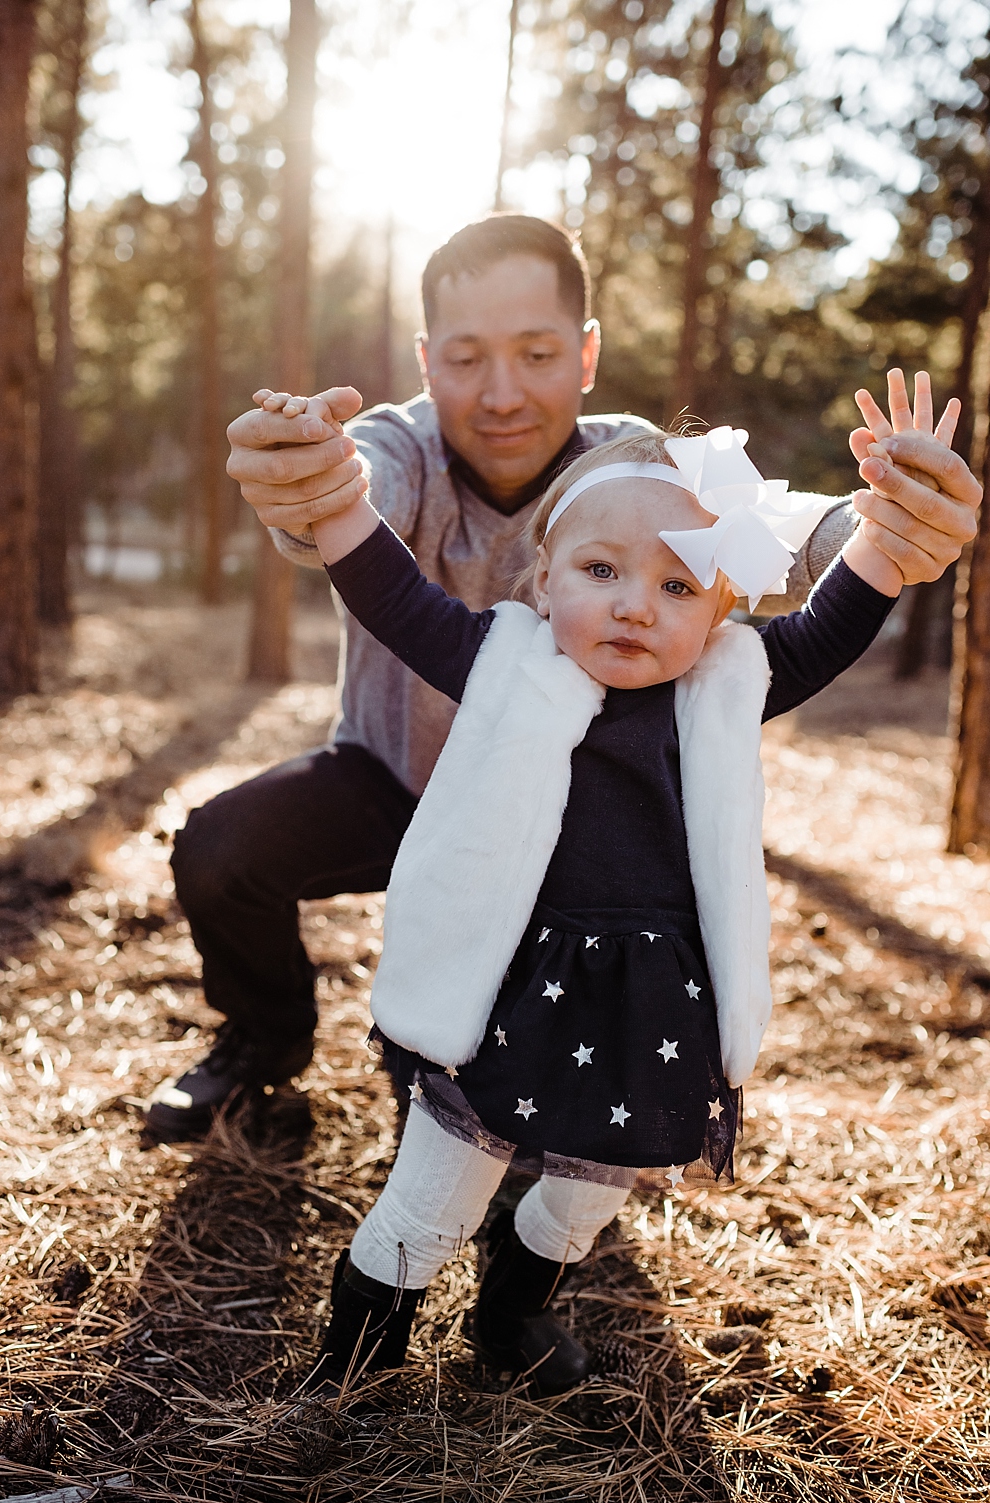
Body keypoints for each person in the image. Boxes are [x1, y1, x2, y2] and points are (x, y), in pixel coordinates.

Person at [147, 214, 985, 1139]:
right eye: (466, 358)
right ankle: (264, 1042)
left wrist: (885, 528)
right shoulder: (399, 446)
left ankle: (537, 1112)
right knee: (219, 851)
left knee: (472, 1097)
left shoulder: (646, 464)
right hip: (391, 778)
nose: (501, 392)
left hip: (567, 816)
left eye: (537, 353)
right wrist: (307, 479)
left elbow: (781, 535)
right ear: (427, 362)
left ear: (586, 354)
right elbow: (350, 494)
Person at [270, 386, 960, 1393]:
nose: (636, 604)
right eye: (601, 570)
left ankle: (511, 1312)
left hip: (647, 1007)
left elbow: (832, 622)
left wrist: (892, 531)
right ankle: (355, 1367)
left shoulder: (719, 688)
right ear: (543, 579)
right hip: (502, 992)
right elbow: (389, 593)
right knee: (436, 1197)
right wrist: (331, 494)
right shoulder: (502, 660)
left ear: (719, 611)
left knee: (588, 1193)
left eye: (678, 585)